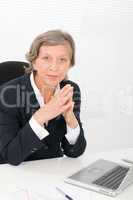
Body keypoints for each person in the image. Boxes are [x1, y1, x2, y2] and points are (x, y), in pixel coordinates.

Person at [0, 30, 86, 166]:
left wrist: (71, 120)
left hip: (52, 170)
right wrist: (41, 116)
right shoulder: (8, 93)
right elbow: (11, 156)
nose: (54, 67)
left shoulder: (70, 90)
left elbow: (75, 152)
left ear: (69, 64)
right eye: (46, 58)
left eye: (62, 60)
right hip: (15, 174)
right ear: (34, 62)